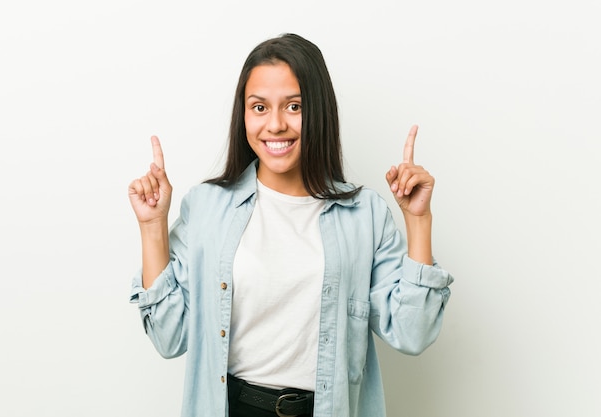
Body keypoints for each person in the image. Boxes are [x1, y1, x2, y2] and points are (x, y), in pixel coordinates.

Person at [128, 33, 453, 417]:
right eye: (260, 107)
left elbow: (412, 334)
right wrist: (153, 227)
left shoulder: (364, 214)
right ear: (244, 115)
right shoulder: (206, 207)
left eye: (294, 106)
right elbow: (170, 338)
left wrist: (418, 222)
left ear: (318, 111)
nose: (276, 124)